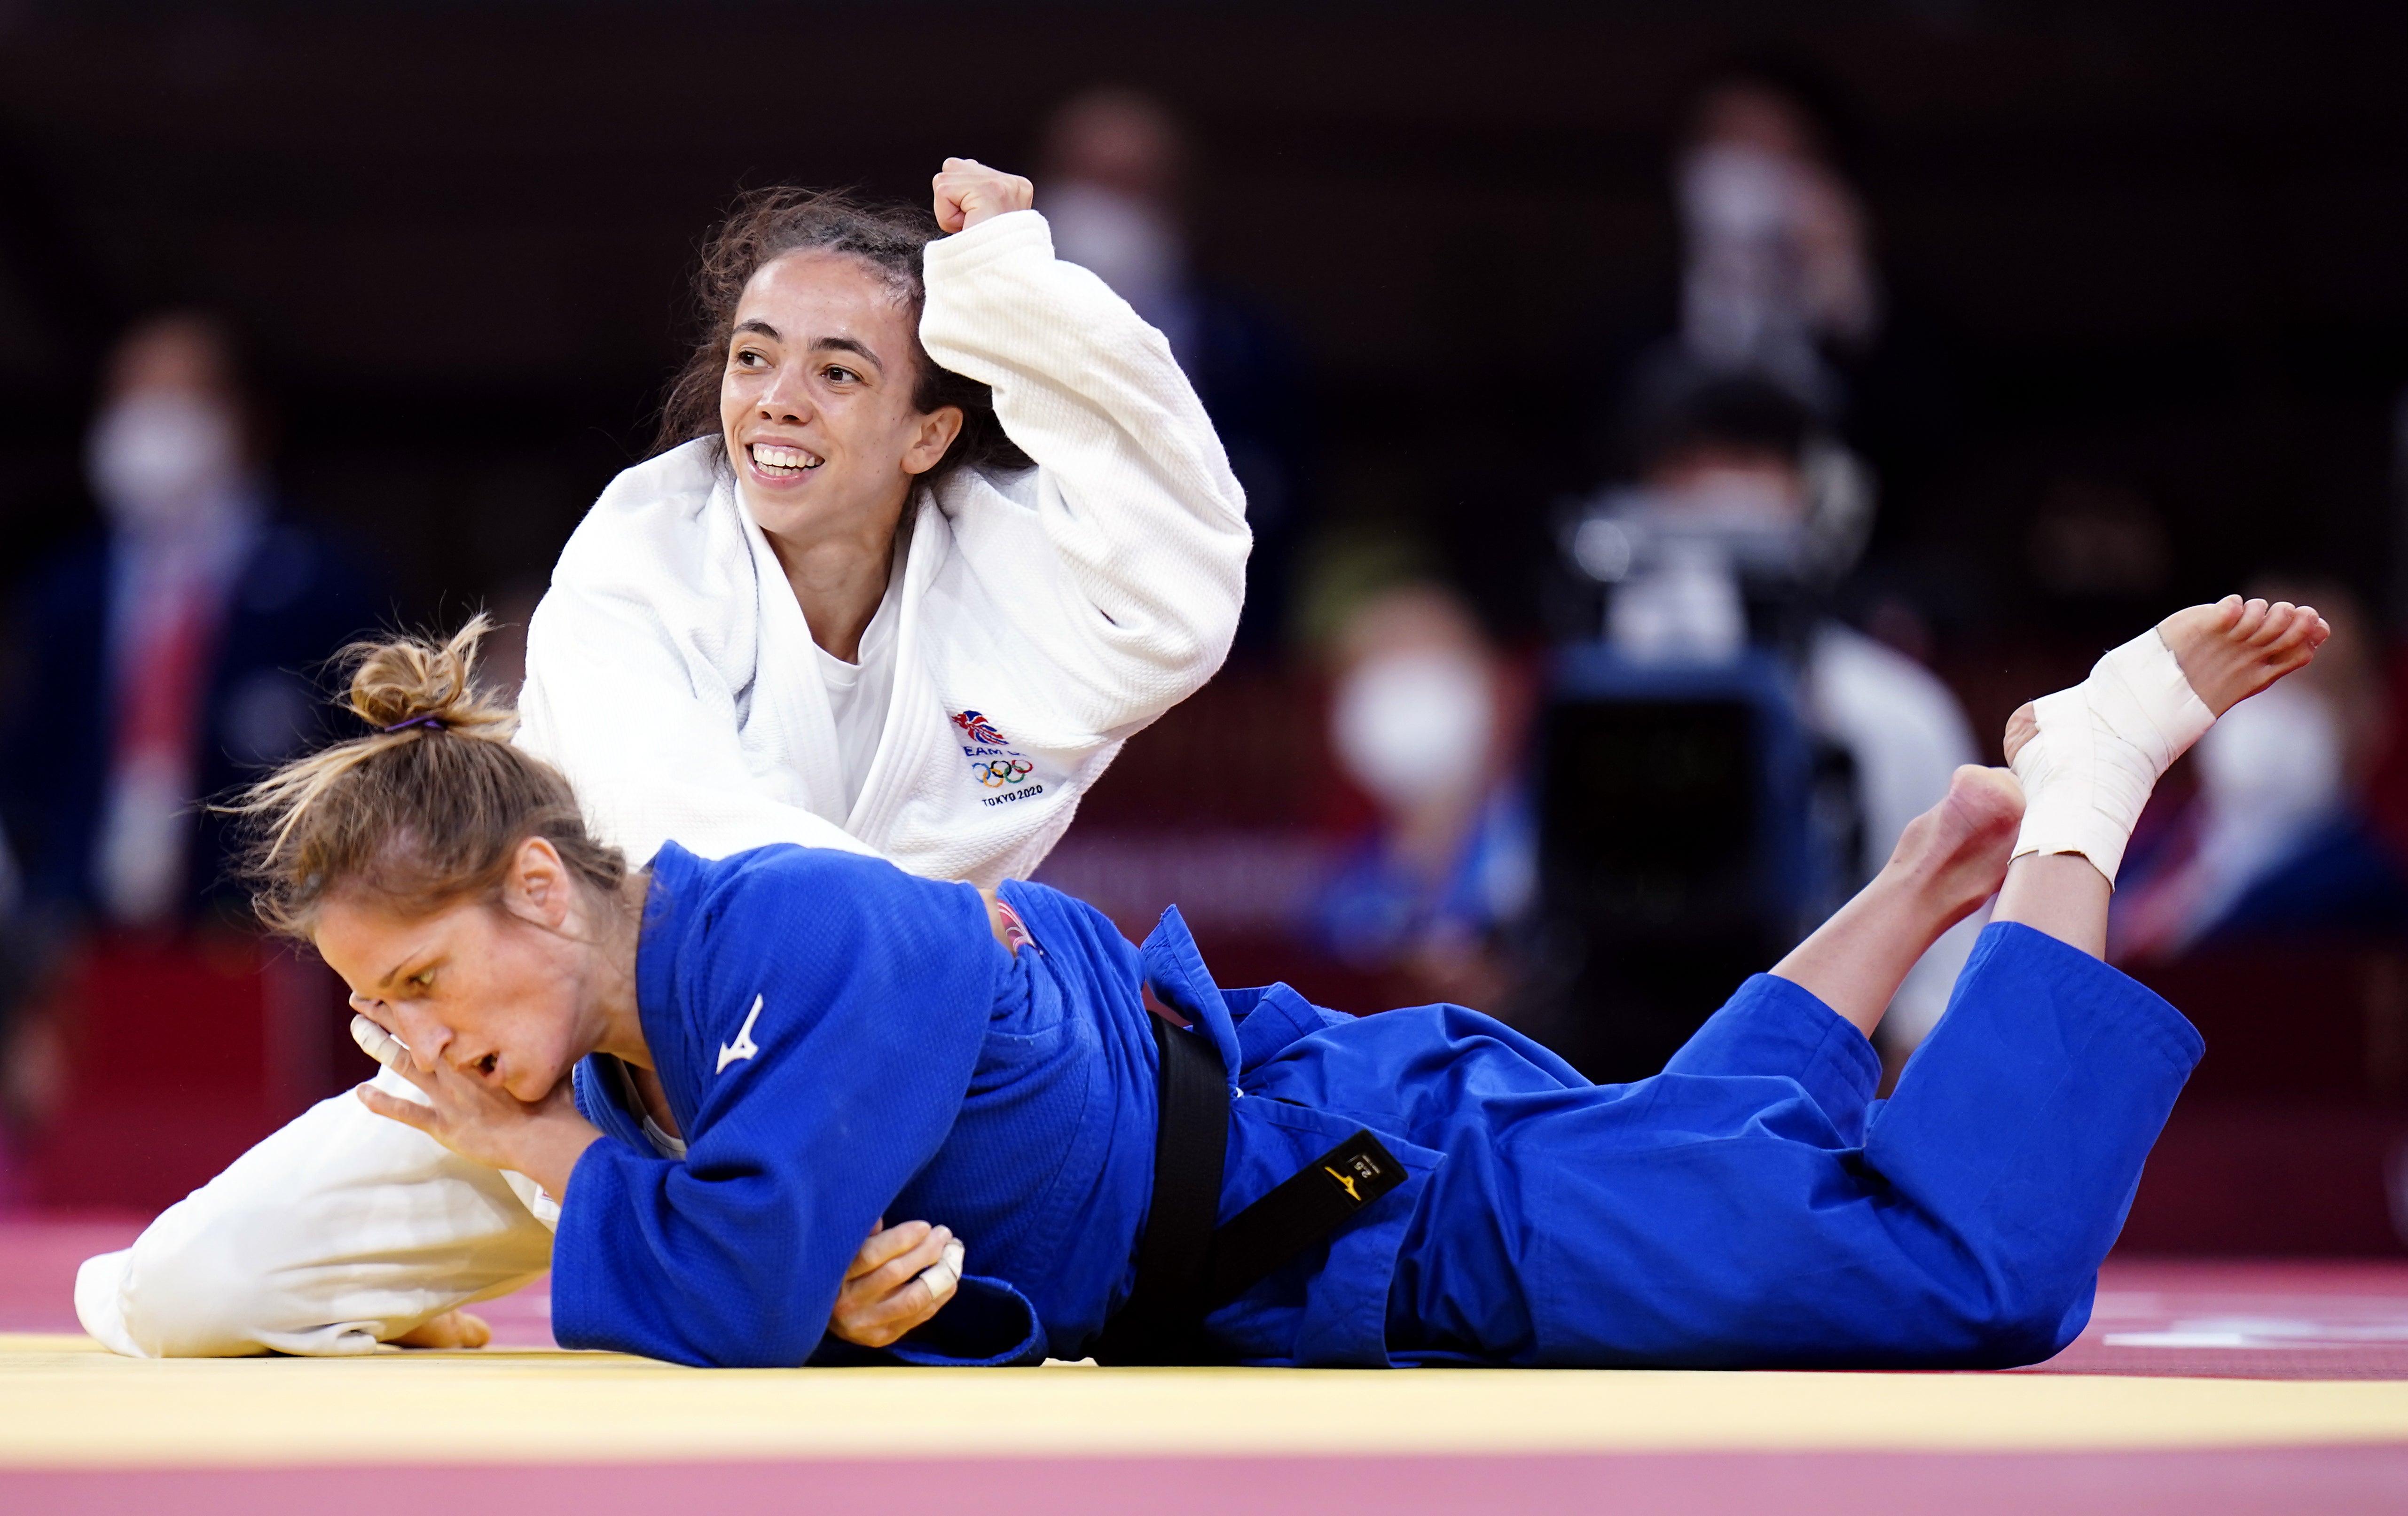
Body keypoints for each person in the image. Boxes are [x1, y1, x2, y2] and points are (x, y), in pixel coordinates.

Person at [210, 594, 2322, 1370]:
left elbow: (743, 1286)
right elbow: (797, 1259)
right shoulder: (669, 1048)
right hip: (1346, 1160)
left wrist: (565, 1158)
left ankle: (2088, 777)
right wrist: (846, 1285)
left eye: (416, 978)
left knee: (1967, 1279)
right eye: (381, 1014)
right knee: (1722, 1152)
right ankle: (1922, 874)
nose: (412, 1043)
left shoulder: (789, 926)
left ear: (537, 887)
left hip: (1395, 1211)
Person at [74, 157, 1251, 1357]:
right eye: (754, 356)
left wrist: (1016, 295)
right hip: (571, 1069)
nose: (778, 400)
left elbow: (1186, 593)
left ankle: (789, 1259)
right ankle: (629, 1263)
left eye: (839, 372)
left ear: (929, 431)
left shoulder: (998, 575)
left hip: (895, 1097)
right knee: (181, 1293)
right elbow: (676, 829)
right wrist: (921, 922)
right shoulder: (643, 553)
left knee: (861, 1299)